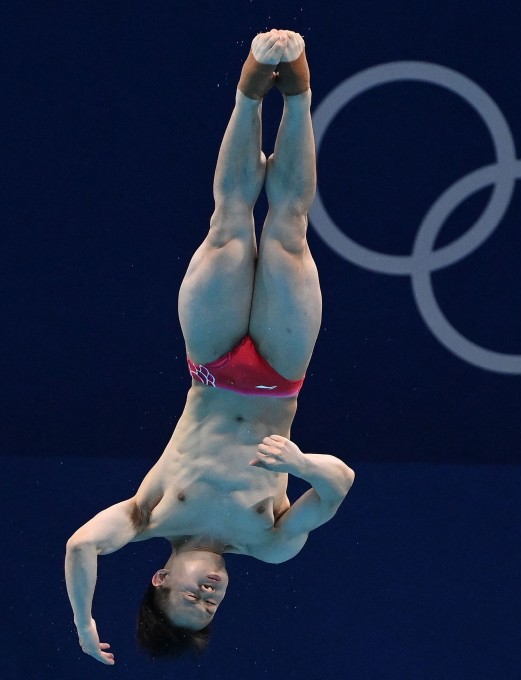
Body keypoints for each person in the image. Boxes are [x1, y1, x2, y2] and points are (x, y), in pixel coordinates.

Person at [64, 29, 354, 664]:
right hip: (281, 375)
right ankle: (299, 88)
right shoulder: (270, 544)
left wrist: (85, 622)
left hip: (212, 365)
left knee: (228, 226)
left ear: (159, 580)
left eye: (191, 599)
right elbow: (339, 484)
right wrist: (303, 468)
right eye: (213, 605)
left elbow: (80, 546)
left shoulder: (149, 516)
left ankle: (252, 87)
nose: (211, 594)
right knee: (287, 233)